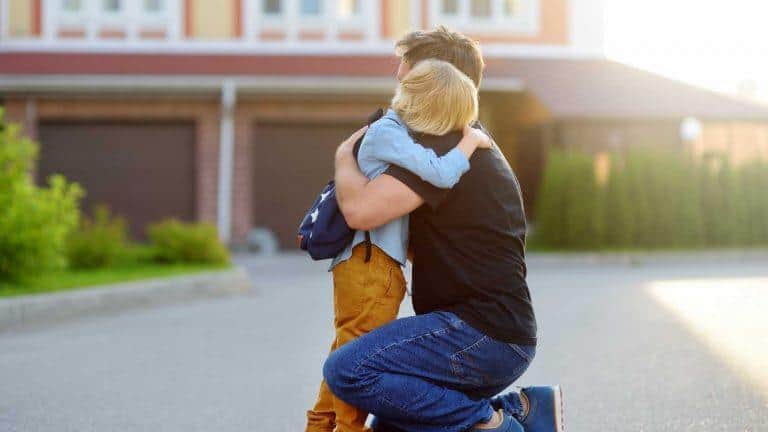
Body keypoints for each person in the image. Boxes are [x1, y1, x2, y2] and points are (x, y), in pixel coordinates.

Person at [324, 27, 564, 432]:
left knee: (349, 370)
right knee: (393, 424)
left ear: (441, 79)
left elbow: (361, 211)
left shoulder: (442, 146)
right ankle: (526, 410)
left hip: (480, 335)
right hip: (490, 334)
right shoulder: (464, 142)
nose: (399, 76)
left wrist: (343, 157)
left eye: (409, 68)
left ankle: (494, 422)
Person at [306, 59, 493, 432]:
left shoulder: (390, 133)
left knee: (345, 351)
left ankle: (319, 426)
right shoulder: (388, 133)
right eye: (453, 118)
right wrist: (471, 140)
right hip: (369, 265)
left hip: (372, 264)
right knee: (353, 363)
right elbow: (440, 173)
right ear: (434, 108)